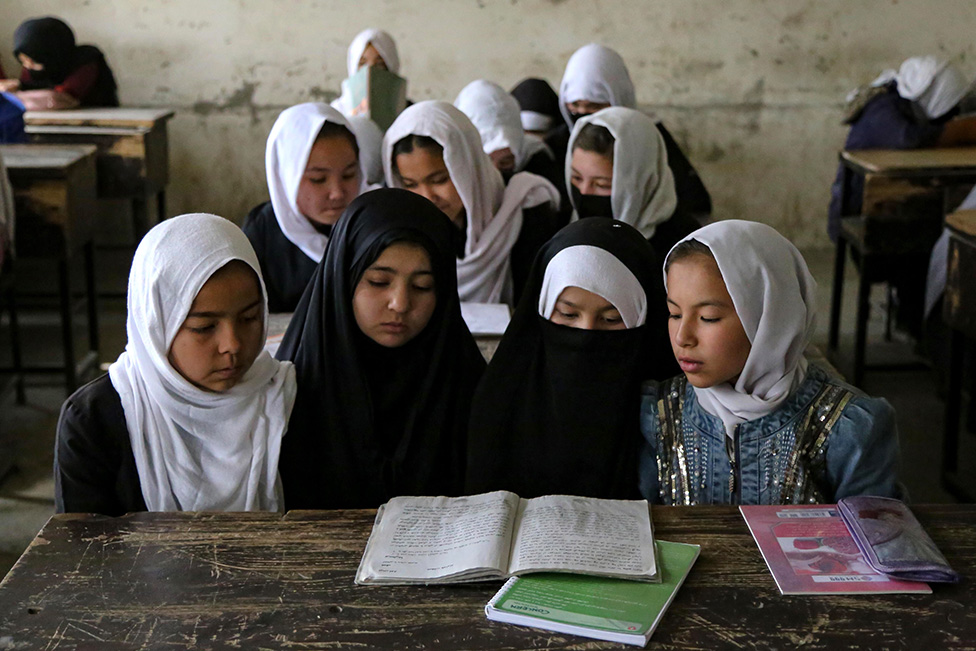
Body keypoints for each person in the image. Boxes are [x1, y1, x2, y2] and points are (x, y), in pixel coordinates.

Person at [639, 220, 901, 506]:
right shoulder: (659, 415)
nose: (682, 337)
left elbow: (877, 541)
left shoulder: (848, 430)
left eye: (709, 317)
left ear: (769, 318)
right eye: (674, 314)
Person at [54, 213, 297, 515]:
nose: (232, 344)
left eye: (249, 318)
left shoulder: (284, 403)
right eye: (204, 327)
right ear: (157, 324)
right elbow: (82, 551)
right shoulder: (94, 421)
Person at [275, 189, 486, 508]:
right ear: (343, 279)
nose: (400, 304)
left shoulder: (467, 388)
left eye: (422, 286)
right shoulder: (295, 390)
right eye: (378, 282)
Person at [466, 218, 676, 499]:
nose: (587, 333)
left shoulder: (673, 411)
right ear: (542, 308)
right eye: (568, 314)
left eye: (612, 318)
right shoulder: (501, 400)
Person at [384, 101, 559, 304]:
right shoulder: (399, 227)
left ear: (468, 167)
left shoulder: (525, 206)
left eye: (439, 180)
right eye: (410, 184)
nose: (427, 197)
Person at [550, 43, 711, 220]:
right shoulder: (558, 141)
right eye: (574, 106)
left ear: (618, 97)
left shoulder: (648, 137)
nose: (582, 115)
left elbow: (692, 202)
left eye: (595, 106)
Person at [828, 56, 976, 242]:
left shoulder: (905, 108)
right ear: (933, 97)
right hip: (859, 206)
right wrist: (963, 130)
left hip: (891, 205)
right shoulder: (882, 106)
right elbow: (910, 139)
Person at [242, 103, 366, 313]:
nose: (337, 192)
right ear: (285, 177)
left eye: (348, 175)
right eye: (318, 179)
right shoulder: (262, 232)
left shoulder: (371, 222)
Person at [568, 107, 700, 260]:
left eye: (602, 185)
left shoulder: (684, 247)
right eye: (576, 178)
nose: (584, 191)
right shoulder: (568, 225)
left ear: (641, 181)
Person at [454, 79, 561, 192]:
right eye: (486, 161)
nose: (496, 174)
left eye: (505, 162)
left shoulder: (537, 159)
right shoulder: (452, 166)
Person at [0, 16, 118, 109]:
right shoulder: (33, 66)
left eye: (32, 60)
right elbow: (30, 93)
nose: (27, 66)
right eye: (23, 61)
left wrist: (14, 93)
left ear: (49, 52)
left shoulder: (86, 62)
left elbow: (62, 98)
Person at [331, 28, 402, 118]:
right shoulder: (337, 113)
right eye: (362, 63)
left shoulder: (407, 112)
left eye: (379, 64)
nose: (370, 71)